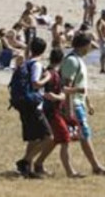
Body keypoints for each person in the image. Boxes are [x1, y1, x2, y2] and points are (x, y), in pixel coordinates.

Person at [61, 32, 105, 176]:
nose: (92, 47)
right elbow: (67, 87)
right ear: (85, 45)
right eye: (90, 44)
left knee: (59, 139)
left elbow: (81, 85)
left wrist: (88, 103)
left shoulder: (79, 59)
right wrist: (69, 108)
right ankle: (96, 167)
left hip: (80, 102)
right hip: (74, 104)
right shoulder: (72, 61)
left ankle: (35, 162)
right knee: (83, 134)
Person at [35, 48, 81, 178]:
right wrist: (59, 97)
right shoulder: (54, 74)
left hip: (52, 111)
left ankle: (38, 163)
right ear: (62, 60)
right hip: (52, 112)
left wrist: (75, 90)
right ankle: (70, 172)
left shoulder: (50, 73)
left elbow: (59, 90)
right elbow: (57, 94)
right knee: (65, 139)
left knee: (55, 140)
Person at [13, 37, 51, 178]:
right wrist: (47, 77)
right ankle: (25, 161)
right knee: (48, 137)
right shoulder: (36, 65)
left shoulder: (26, 63)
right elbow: (35, 84)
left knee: (33, 138)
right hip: (32, 104)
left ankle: (27, 169)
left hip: (24, 103)